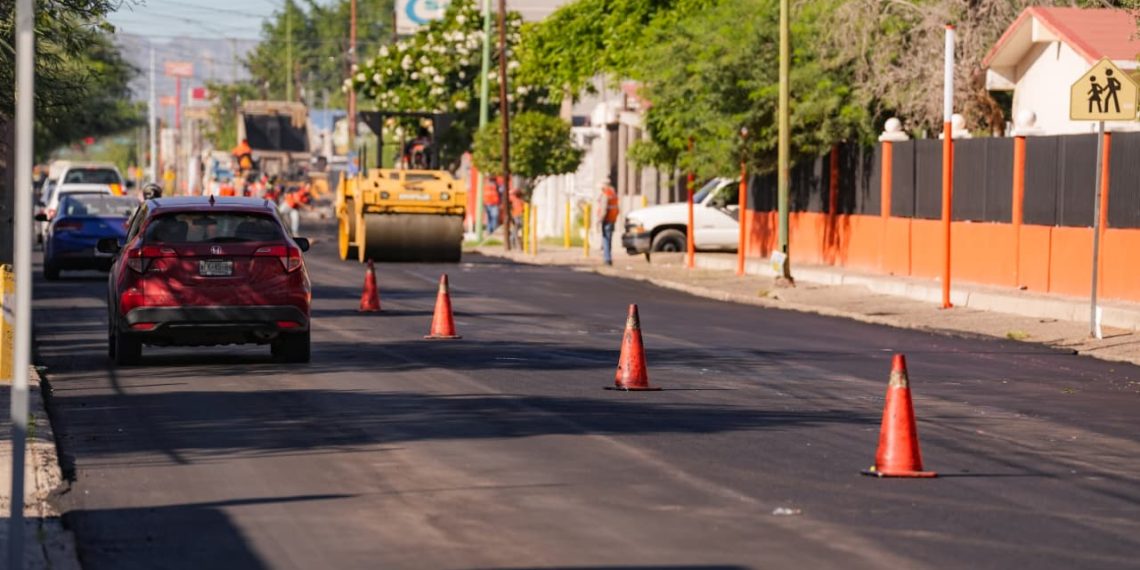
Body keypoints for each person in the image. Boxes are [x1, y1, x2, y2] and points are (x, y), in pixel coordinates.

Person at [597, 181, 619, 266]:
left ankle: (607, 259)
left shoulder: (606, 194)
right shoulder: (613, 194)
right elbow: (617, 209)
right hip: (612, 219)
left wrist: (599, 220)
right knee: (609, 240)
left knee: (606, 240)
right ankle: (608, 258)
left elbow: (604, 209)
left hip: (606, 220)